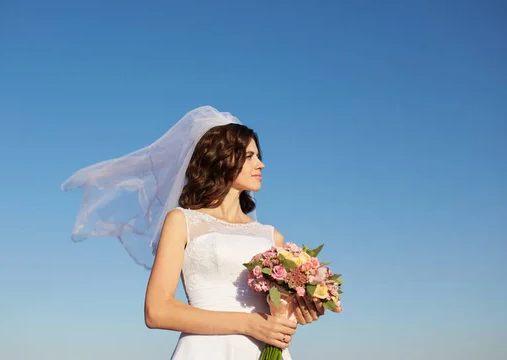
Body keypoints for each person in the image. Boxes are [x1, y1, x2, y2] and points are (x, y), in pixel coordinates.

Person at [61, 106, 326, 360]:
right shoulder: (182, 221)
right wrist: (247, 324)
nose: (261, 165)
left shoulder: (272, 237)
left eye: (259, 156)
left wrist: (301, 309)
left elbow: (276, 311)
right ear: (222, 159)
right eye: (249, 156)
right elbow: (156, 311)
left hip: (263, 352)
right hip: (205, 350)